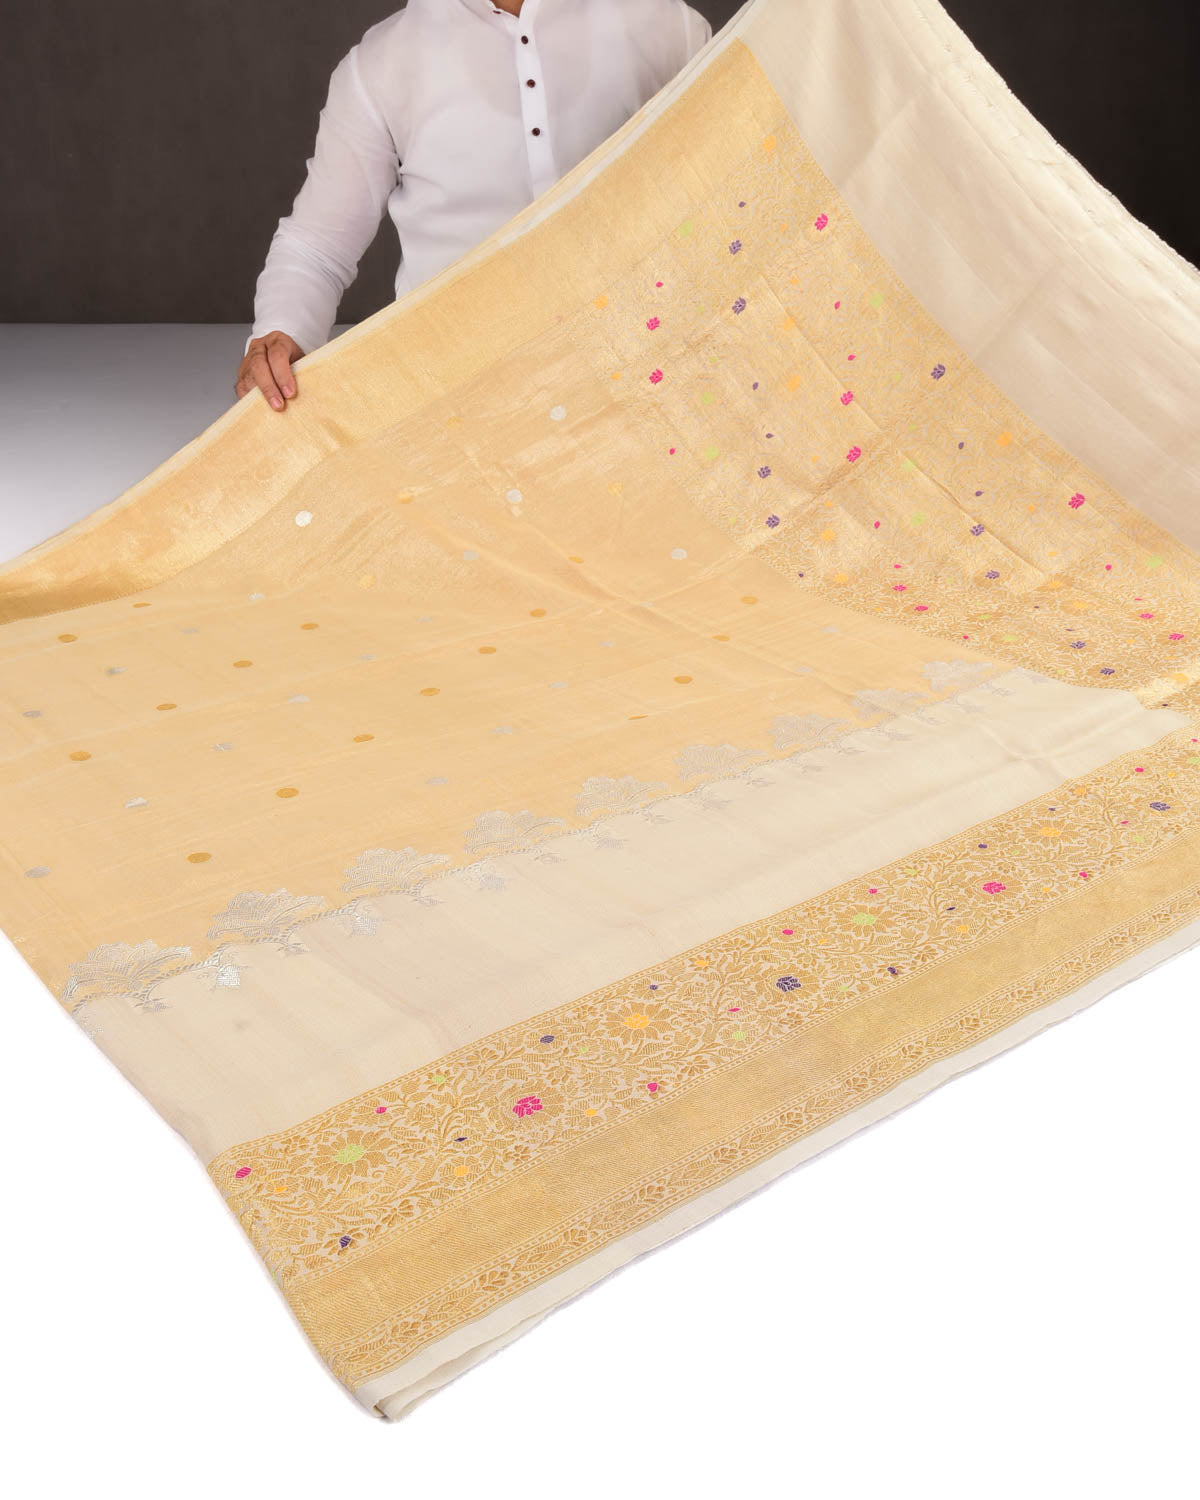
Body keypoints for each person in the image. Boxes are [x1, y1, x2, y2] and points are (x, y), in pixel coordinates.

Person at [235, 0, 713, 410]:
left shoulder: (665, 24)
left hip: (640, 391)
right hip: (451, 409)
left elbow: (724, 192)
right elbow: (318, 248)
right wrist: (280, 332)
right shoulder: (381, 64)